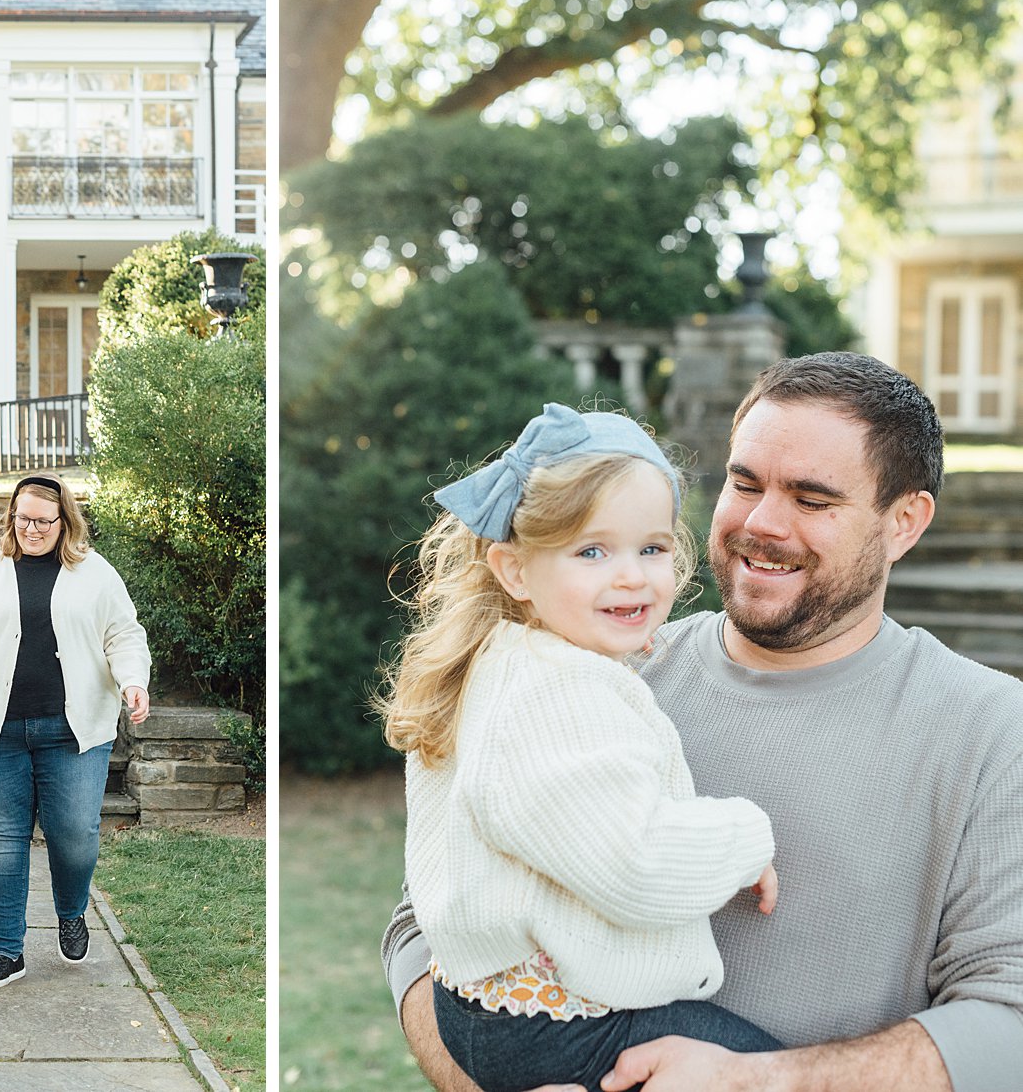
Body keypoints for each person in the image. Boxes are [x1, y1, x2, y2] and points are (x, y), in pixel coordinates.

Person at [383, 353, 1023, 1092]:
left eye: (811, 500)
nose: (761, 522)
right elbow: (424, 927)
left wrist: (762, 1082)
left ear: (903, 522)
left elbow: (1009, 1024)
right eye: (744, 483)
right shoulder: (597, 670)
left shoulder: (991, 731)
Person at [379, 404, 780, 1092]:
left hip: (487, 1010)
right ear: (513, 570)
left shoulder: (503, 662)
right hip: (563, 1027)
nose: (631, 576)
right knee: (776, 1075)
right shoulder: (558, 693)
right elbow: (634, 863)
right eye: (591, 551)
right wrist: (747, 837)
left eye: (651, 548)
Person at [0, 473, 150, 988]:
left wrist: (134, 681)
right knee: (3, 838)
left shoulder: (93, 572)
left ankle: (71, 912)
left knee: (74, 835)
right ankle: (6, 951)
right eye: (22, 519)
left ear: (64, 521)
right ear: (12, 516)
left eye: (43, 521)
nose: (31, 529)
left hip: (72, 730)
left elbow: (123, 633)